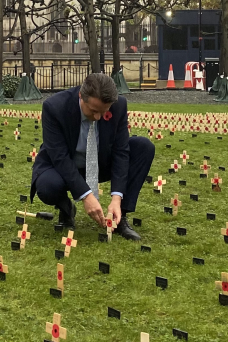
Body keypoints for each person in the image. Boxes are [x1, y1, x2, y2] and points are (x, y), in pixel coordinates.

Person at [30, 73, 155, 240]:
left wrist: (117, 198)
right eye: (94, 111)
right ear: (81, 96)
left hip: (100, 163)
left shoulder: (119, 106)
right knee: (47, 186)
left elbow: (120, 151)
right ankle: (66, 209)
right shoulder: (54, 107)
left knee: (144, 147)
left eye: (104, 112)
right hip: (64, 165)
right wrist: (86, 196)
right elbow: (59, 158)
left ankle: (119, 217)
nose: (98, 117)